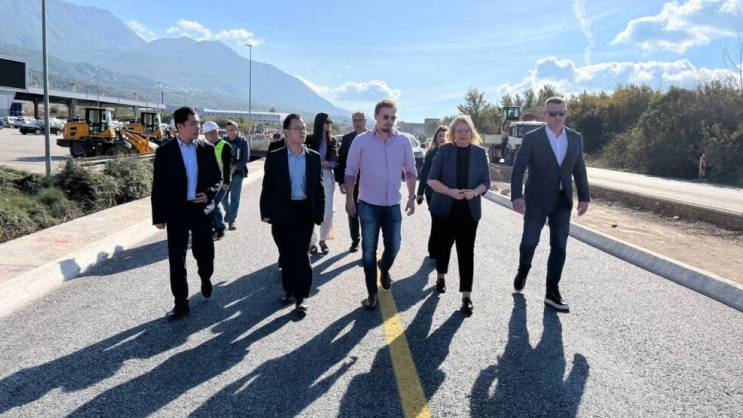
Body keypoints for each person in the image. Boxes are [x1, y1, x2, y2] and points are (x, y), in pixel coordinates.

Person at [510, 97, 590, 312]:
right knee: (529, 242)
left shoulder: (575, 138)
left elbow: (579, 168)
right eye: (553, 113)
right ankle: (523, 270)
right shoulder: (532, 138)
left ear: (566, 114)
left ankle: (552, 292)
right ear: (545, 115)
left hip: (563, 201)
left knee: (559, 246)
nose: (557, 117)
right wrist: (516, 196)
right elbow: (518, 169)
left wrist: (584, 197)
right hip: (536, 200)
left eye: (561, 113)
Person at [345, 99, 417, 309]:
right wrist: (349, 199)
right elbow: (350, 172)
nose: (389, 121)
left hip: (393, 204)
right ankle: (371, 294)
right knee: (368, 251)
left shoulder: (403, 141)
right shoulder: (361, 141)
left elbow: (410, 171)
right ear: (376, 116)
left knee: (394, 246)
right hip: (368, 204)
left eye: (393, 117)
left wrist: (411, 197)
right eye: (385, 117)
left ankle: (384, 267)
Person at [151, 106, 222, 320]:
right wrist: (159, 216)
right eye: (193, 123)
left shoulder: (206, 148)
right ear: (180, 126)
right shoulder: (165, 152)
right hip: (177, 212)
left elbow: (217, 179)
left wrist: (208, 194)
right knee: (176, 259)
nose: (198, 126)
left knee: (205, 253)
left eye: (198, 122)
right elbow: (159, 186)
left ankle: (205, 277)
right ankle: (180, 302)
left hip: (200, 210)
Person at [260, 114, 324, 313]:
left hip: (304, 210)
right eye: (297, 128)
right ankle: (289, 290)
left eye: (304, 128)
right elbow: (268, 185)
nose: (302, 131)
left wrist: (319, 213)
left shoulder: (313, 157)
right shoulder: (276, 156)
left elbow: (318, 187)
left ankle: (301, 296)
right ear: (286, 132)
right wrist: (266, 212)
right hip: (282, 211)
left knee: (302, 254)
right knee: (286, 254)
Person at [426, 116, 490, 316]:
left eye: (466, 130)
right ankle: (441, 276)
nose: (463, 134)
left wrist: (475, 192)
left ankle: (466, 296)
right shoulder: (444, 151)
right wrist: (450, 192)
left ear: (472, 132)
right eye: (459, 131)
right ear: (453, 133)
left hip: (469, 211)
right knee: (443, 247)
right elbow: (431, 180)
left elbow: (486, 182)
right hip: (445, 209)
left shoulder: (480, 153)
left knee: (466, 252)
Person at [305, 113, 338, 255]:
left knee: (328, 211)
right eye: (327, 121)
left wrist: (328, 163)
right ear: (320, 122)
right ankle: (311, 242)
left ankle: (323, 240)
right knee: (310, 210)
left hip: (328, 177)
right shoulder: (309, 139)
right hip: (311, 177)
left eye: (330, 121)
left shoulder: (332, 140)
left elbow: (336, 161)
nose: (329, 124)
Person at [335, 111, 367, 252]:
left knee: (367, 215)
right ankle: (355, 241)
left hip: (369, 184)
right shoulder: (347, 139)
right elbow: (341, 160)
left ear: (365, 121)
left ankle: (367, 244)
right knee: (352, 211)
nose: (358, 123)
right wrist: (341, 181)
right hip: (351, 183)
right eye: (355, 120)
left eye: (360, 120)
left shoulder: (373, 137)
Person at [416, 125, 447, 259]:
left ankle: (437, 248)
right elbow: (424, 174)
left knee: (442, 222)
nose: (442, 138)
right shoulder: (431, 154)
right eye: (440, 136)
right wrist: (420, 192)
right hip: (431, 193)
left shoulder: (452, 153)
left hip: (446, 194)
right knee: (436, 220)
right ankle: (433, 250)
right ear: (436, 138)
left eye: (445, 136)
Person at [202, 120, 232, 239]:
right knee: (212, 204)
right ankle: (216, 227)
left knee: (213, 204)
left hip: (222, 182)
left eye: (206, 134)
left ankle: (221, 227)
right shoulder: (206, 146)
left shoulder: (225, 146)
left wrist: (226, 182)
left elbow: (227, 166)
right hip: (211, 183)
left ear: (214, 132)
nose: (205, 136)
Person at [222, 120, 250, 231]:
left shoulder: (243, 141)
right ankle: (229, 213)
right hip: (225, 174)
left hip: (238, 173)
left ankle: (231, 220)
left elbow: (246, 157)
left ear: (237, 130)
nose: (230, 132)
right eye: (228, 130)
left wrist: (235, 167)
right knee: (223, 197)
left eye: (232, 129)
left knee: (235, 198)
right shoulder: (223, 141)